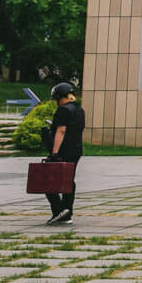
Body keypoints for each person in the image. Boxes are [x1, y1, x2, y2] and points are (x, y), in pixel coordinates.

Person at [43, 83, 85, 224]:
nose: (56, 102)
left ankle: (59, 210)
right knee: (68, 180)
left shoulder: (63, 110)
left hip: (63, 151)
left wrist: (54, 152)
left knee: (48, 181)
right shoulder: (79, 110)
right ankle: (67, 211)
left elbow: (61, 131)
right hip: (76, 150)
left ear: (61, 97)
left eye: (56, 99)